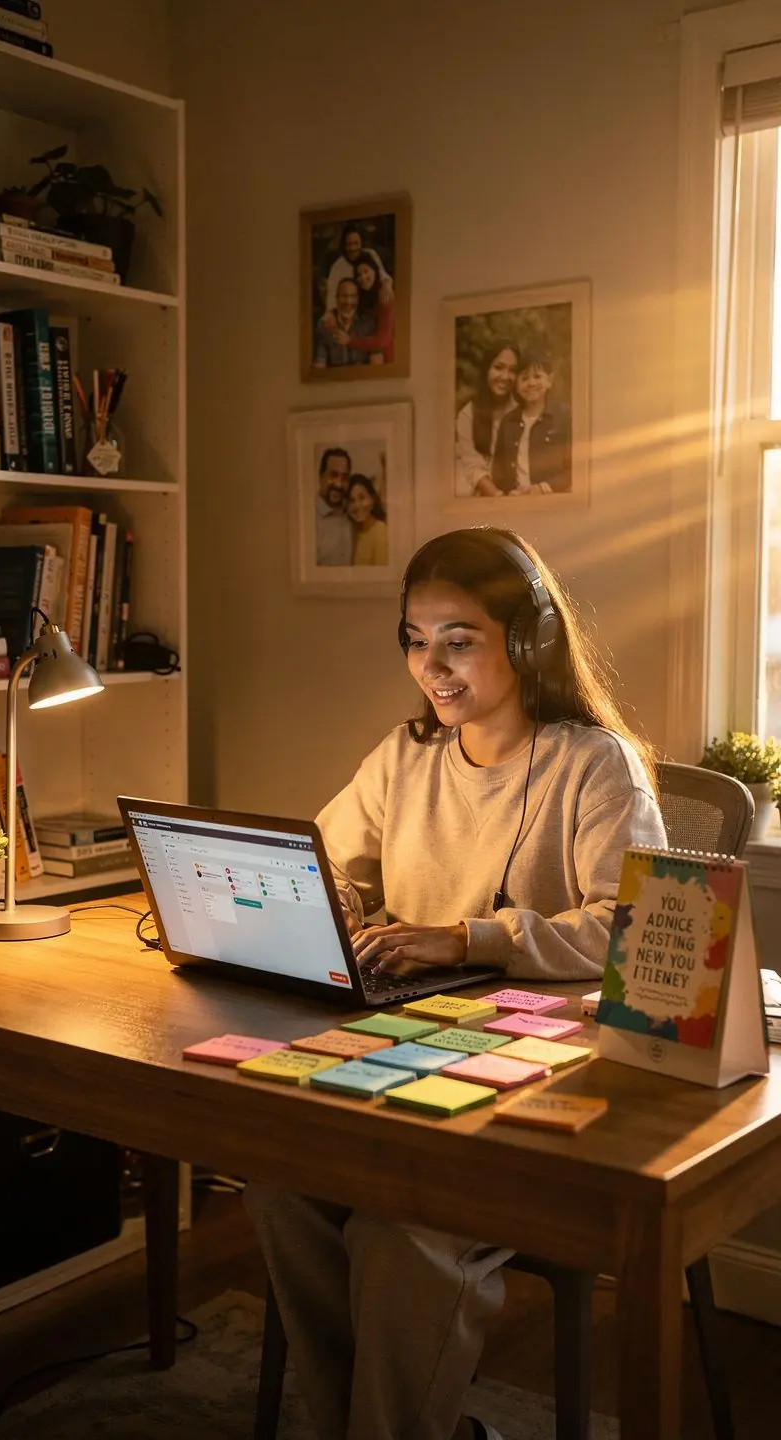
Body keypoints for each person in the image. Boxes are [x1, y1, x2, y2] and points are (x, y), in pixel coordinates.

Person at [244, 526, 667, 1440]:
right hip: (405, 1046)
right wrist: (345, 907)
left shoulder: (595, 765)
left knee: (403, 1238)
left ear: (528, 641)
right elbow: (325, 859)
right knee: (282, 1188)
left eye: (459, 640)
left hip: (548, 1075)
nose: (431, 666)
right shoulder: (403, 756)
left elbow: (632, 929)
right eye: (413, 639)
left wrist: (466, 938)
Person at [491, 350, 572, 495]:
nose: (531, 383)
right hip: (515, 503)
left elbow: (576, 470)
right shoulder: (508, 422)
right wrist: (508, 492)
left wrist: (543, 488)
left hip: (554, 502)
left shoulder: (565, 416)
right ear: (516, 385)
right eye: (524, 378)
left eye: (537, 376)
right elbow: (498, 473)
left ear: (550, 381)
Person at [454, 341, 519, 497]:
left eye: (512, 370)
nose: (505, 376)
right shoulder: (468, 414)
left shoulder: (521, 409)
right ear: (487, 369)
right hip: (486, 498)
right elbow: (473, 467)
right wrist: (499, 498)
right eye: (498, 367)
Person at [324, 250, 394, 364]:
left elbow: (383, 340)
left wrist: (350, 341)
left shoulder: (384, 295)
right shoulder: (361, 296)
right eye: (359, 275)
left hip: (386, 359)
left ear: (375, 271)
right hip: (365, 357)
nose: (363, 277)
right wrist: (331, 314)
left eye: (366, 271)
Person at [324, 221, 393, 311]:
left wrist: (386, 285)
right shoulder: (337, 268)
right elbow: (331, 303)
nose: (353, 248)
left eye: (356, 243)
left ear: (361, 243)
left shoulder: (370, 254)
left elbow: (384, 277)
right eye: (349, 244)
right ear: (343, 246)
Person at [313, 277, 378, 368]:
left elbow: (377, 366)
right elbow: (319, 363)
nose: (348, 301)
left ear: (358, 299)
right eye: (344, 296)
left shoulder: (368, 324)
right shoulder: (325, 325)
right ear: (336, 298)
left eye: (353, 296)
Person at [315, 447, 353, 566]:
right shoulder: (308, 520)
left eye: (344, 477)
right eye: (333, 475)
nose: (338, 483)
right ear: (321, 477)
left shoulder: (353, 513)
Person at [347, 472, 388, 565]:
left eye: (362, 498)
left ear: (372, 499)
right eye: (352, 500)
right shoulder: (355, 532)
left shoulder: (380, 530)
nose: (357, 505)